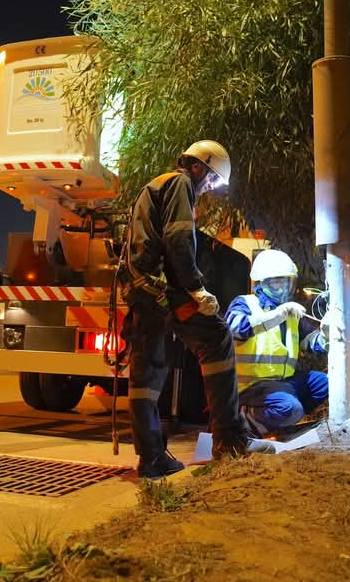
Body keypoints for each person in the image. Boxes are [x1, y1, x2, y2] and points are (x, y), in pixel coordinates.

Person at [121, 140, 271, 479]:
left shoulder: (155, 186)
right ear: (199, 166)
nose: (209, 188)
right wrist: (196, 289)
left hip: (142, 292)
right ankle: (230, 441)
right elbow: (178, 239)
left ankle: (151, 458)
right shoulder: (180, 184)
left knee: (146, 376)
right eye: (212, 180)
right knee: (216, 337)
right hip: (164, 291)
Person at [224, 248, 329, 436]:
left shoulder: (290, 312)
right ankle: (242, 423)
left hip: (283, 382)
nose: (282, 288)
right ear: (261, 283)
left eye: (286, 282)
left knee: (326, 383)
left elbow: (314, 343)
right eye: (276, 282)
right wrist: (278, 315)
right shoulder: (245, 304)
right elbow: (235, 329)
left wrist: (327, 333)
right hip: (250, 386)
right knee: (290, 408)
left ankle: (281, 419)